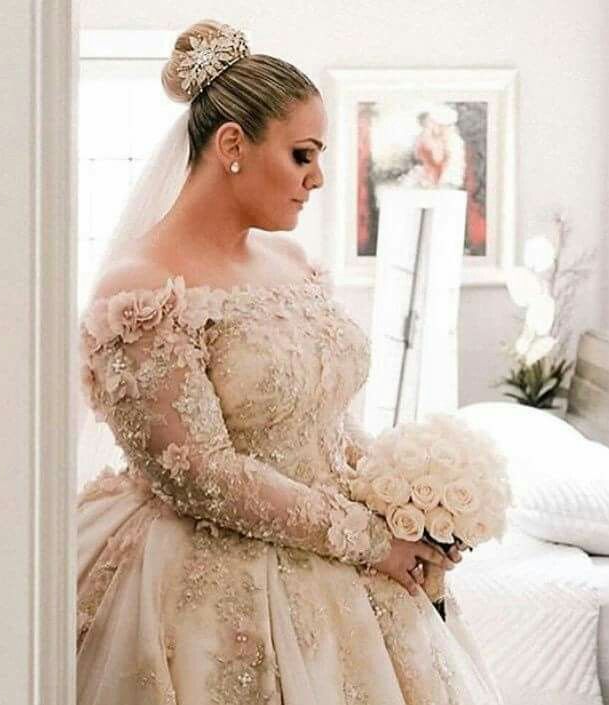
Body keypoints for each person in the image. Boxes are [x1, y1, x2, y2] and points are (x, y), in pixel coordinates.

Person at [75, 19, 504, 705]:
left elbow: (323, 423)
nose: (318, 177)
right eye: (302, 154)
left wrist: (408, 507)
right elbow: (199, 476)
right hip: (201, 581)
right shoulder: (141, 289)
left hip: (342, 563)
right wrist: (368, 539)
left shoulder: (291, 262)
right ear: (232, 145)